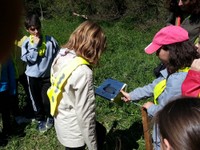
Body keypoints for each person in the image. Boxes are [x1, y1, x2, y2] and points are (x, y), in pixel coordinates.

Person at [120, 25, 200, 149]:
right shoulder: (176, 67)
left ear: (171, 50)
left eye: (158, 50)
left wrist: (151, 108)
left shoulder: (178, 81)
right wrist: (132, 95)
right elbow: (155, 85)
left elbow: (169, 114)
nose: (156, 53)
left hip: (169, 136)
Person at [49, 21, 106, 150]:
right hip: (74, 130)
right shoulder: (83, 72)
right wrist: (93, 146)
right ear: (94, 46)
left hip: (61, 118)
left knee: (101, 131)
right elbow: (85, 115)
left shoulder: (62, 55)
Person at [21, 12, 60, 133]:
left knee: (46, 99)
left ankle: (49, 117)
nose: (36, 31)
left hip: (47, 76)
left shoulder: (50, 40)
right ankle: (40, 119)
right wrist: (35, 46)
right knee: (35, 100)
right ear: (27, 30)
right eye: (33, 29)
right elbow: (29, 59)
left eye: (38, 27)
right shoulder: (27, 43)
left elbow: (58, 56)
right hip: (32, 77)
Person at [154, 0, 200, 77]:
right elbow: (167, 24)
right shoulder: (177, 10)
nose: (180, 3)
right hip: (171, 58)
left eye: (184, 0)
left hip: (188, 62)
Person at [0, 59, 16, 145]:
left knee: (6, 113)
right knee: (5, 113)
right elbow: (11, 72)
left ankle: (7, 130)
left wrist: (12, 90)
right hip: (4, 89)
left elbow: (11, 71)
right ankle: (5, 133)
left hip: (3, 89)